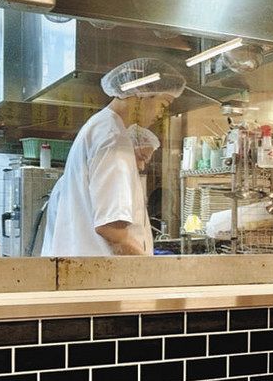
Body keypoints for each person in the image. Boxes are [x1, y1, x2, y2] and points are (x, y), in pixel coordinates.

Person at [41, 58, 183, 257]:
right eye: (163, 103)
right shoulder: (113, 138)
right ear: (143, 94)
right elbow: (111, 229)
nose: (161, 113)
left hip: (88, 266)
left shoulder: (101, 127)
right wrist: (151, 268)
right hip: (102, 269)